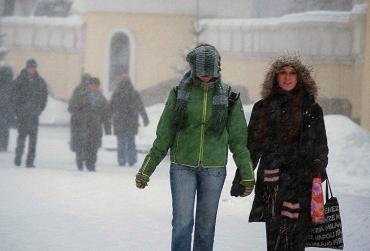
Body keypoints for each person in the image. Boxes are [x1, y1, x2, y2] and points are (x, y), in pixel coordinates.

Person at [135, 44, 255, 251]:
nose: (206, 75)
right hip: (182, 167)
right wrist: (146, 169)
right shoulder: (179, 94)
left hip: (214, 170)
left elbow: (238, 141)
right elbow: (164, 135)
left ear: (217, 69)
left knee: (206, 228)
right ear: (193, 69)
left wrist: (247, 174)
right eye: (201, 71)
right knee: (182, 224)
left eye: (210, 70)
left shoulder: (230, 97)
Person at [245, 56, 329, 251]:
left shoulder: (312, 109)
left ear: (300, 78)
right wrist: (243, 176)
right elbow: (252, 146)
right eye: (282, 72)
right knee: (274, 239)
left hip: (302, 182)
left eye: (292, 73)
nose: (287, 77)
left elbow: (320, 145)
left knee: (297, 239)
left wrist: (318, 166)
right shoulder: (262, 108)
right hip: (272, 184)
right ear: (275, 77)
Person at [68, 77, 111, 171]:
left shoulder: (102, 99)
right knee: (81, 145)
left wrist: (108, 129)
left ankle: (91, 164)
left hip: (95, 127)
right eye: (92, 85)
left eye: (96, 86)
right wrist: (79, 116)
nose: (94, 87)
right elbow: (71, 108)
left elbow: (106, 114)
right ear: (89, 86)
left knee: (93, 147)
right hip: (81, 125)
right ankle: (80, 161)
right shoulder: (80, 96)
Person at [13, 59, 48, 167]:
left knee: (33, 140)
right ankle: (18, 157)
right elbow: (14, 96)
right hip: (22, 114)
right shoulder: (20, 80)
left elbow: (44, 97)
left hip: (34, 115)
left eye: (33, 67)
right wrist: (18, 110)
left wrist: (39, 109)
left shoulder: (40, 81)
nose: (31, 69)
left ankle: (30, 161)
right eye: (30, 67)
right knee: (21, 137)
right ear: (26, 67)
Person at [110, 75, 149, 166]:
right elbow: (140, 106)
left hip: (119, 121)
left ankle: (121, 159)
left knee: (121, 141)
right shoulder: (134, 93)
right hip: (131, 121)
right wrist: (145, 118)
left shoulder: (117, 93)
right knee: (131, 141)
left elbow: (110, 107)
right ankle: (131, 159)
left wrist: (108, 118)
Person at [0, 65, 15, 151]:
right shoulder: (12, 84)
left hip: (5, 109)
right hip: (7, 109)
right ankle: (3, 146)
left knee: (3, 128)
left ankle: (3, 146)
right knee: (5, 128)